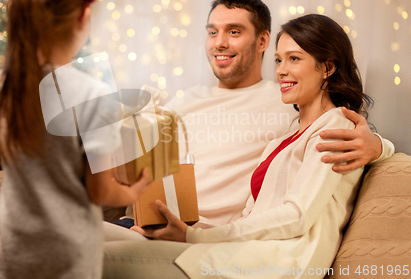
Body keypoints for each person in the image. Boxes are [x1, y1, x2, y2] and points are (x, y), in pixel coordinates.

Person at [0, 0, 392, 278]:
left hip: (208, 236)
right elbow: (129, 154)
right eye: (213, 32)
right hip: (149, 221)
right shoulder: (183, 100)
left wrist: (377, 145)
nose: (220, 42)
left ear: (260, 41)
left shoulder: (281, 103)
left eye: (234, 32)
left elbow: (334, 140)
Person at [102, 14, 393, 279]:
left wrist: (380, 146)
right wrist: (186, 230)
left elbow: (297, 216)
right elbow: (249, 219)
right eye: (278, 60)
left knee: (97, 257)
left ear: (327, 67)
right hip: (237, 253)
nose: (281, 71)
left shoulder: (336, 128)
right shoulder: (285, 138)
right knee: (78, 235)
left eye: (294, 59)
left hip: (273, 265)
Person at [0, 0, 150, 279]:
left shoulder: (6, 83)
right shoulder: (93, 94)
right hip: (67, 255)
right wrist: (132, 192)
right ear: (82, 17)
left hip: (14, 249)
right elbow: (100, 191)